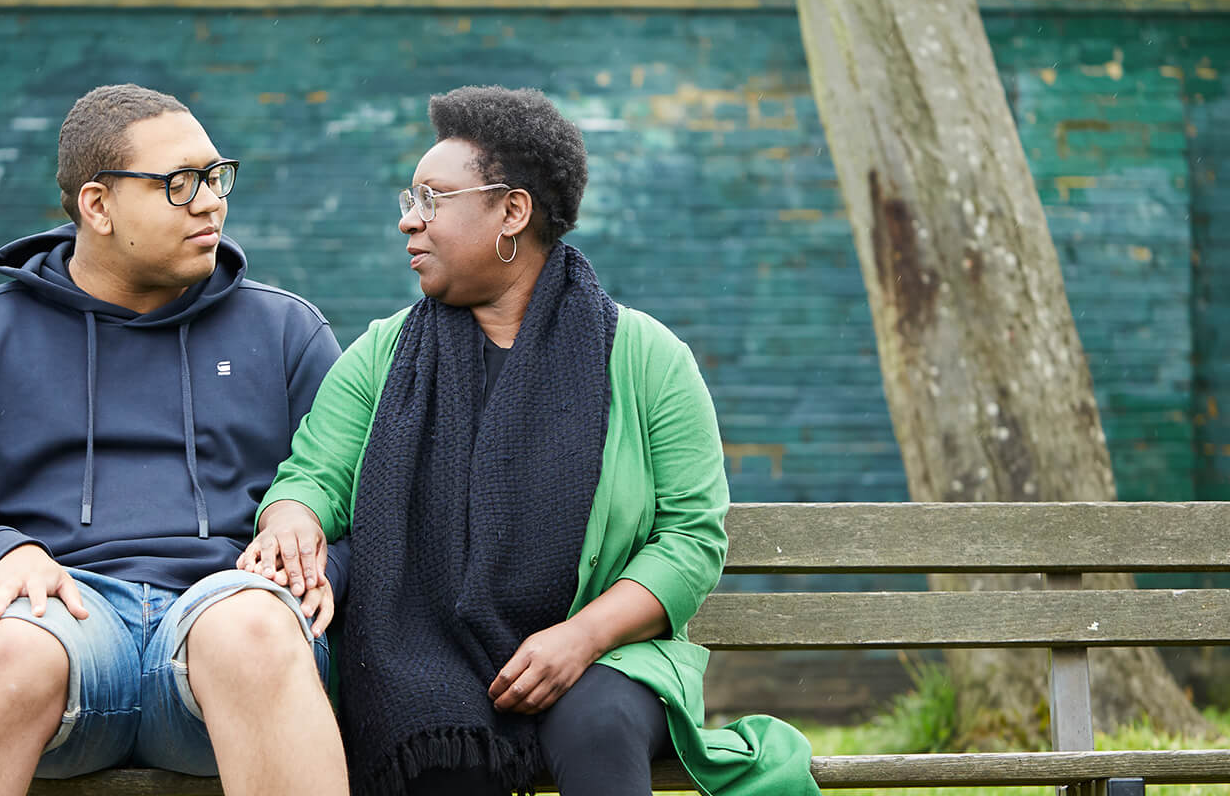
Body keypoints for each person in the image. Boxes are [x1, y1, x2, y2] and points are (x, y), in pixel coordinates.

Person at [240, 86, 814, 796]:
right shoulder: (382, 356)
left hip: (611, 655)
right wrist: (293, 514)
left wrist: (583, 638)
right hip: (428, 654)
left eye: (432, 197)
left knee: (594, 723)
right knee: (432, 739)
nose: (408, 222)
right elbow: (314, 475)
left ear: (512, 210)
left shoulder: (644, 356)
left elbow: (690, 538)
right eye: (408, 199)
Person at [0, 84, 348, 796]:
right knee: (7, 649)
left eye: (216, 177)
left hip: (220, 626)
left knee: (254, 626)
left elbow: (365, 498)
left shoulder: (285, 333)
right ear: (96, 205)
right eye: (179, 184)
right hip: (65, 624)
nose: (211, 202)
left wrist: (312, 566)